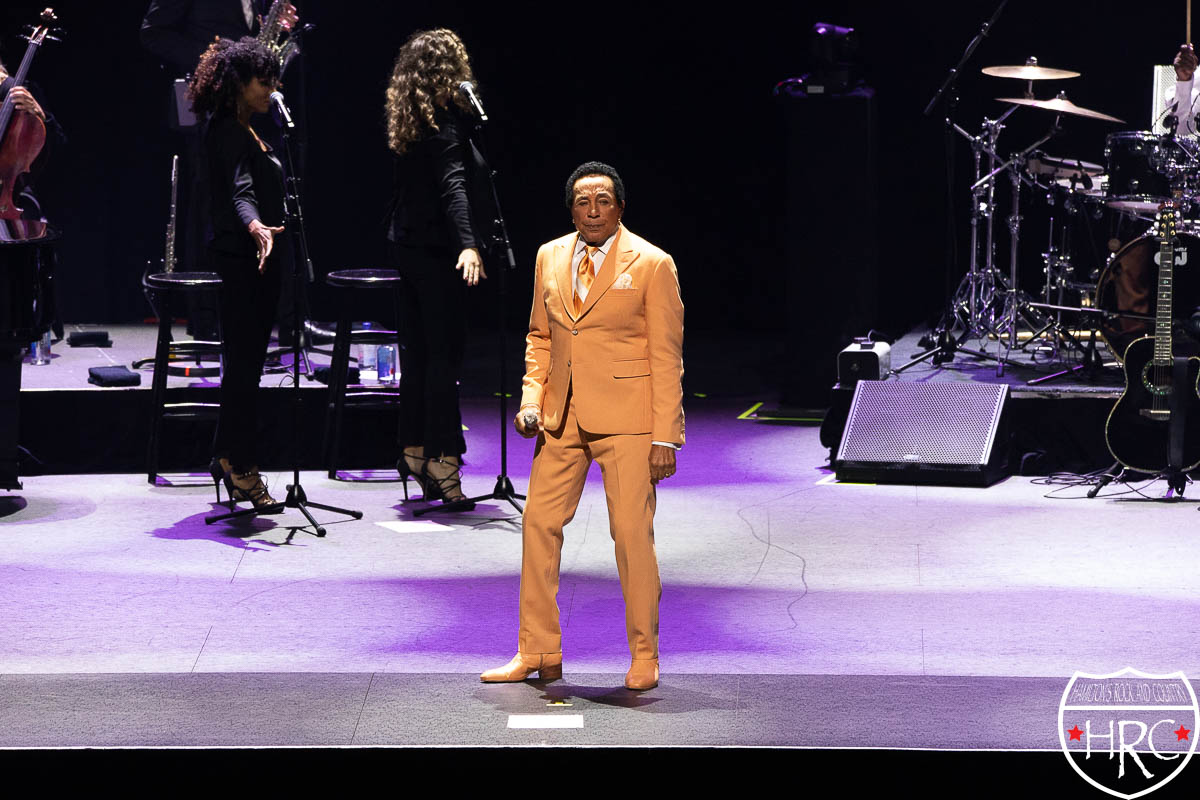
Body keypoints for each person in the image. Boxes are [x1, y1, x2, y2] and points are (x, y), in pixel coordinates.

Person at [480, 162, 685, 691]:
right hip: (561, 415)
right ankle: (537, 650)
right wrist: (531, 401)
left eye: (603, 201)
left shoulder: (653, 263)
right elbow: (540, 338)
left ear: (620, 207)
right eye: (582, 202)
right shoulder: (549, 255)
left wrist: (665, 435)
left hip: (629, 420)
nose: (592, 211)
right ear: (571, 209)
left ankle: (645, 655)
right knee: (537, 525)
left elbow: (667, 356)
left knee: (631, 536)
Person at [383, 28, 489, 507]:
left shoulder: (411, 124)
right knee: (443, 358)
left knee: (421, 357)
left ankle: (414, 450)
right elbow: (454, 188)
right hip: (437, 252)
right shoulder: (443, 126)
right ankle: (443, 460)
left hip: (407, 246)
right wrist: (468, 244)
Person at [187, 37, 285, 508]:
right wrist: (254, 226)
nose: (272, 89)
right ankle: (241, 466)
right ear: (238, 84)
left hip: (253, 260)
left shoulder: (243, 128)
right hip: (242, 259)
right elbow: (238, 189)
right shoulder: (227, 131)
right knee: (244, 369)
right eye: (263, 81)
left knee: (246, 367)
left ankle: (226, 454)